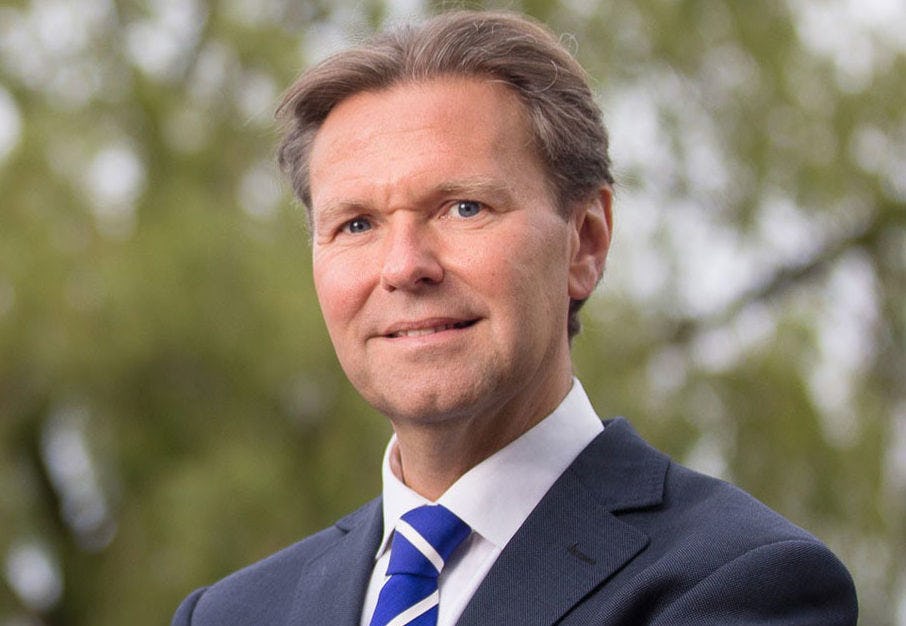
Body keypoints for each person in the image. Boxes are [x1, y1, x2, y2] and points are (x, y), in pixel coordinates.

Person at [172, 10, 857, 625]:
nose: (404, 266)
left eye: (463, 208)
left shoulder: (737, 583)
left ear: (585, 242)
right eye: (357, 224)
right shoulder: (230, 614)